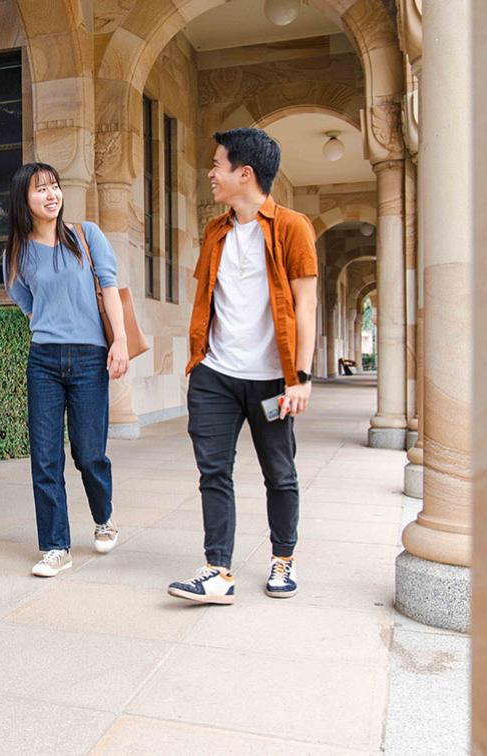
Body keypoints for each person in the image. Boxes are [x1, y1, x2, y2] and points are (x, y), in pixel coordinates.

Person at [168, 128, 318, 604]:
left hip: (274, 379)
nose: (211, 174)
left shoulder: (292, 227)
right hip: (216, 375)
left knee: (280, 470)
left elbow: (306, 304)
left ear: (244, 173)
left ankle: (283, 558)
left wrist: (303, 378)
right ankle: (217, 569)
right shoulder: (215, 231)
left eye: (218, 165)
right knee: (214, 472)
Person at [4, 162, 129, 577]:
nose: (51, 195)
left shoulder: (86, 235)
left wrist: (121, 343)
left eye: (54, 187)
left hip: (90, 357)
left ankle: (104, 516)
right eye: (41, 189)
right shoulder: (17, 252)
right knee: (45, 457)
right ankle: (56, 545)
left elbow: (109, 288)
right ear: (24, 199)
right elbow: (25, 302)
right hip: (43, 360)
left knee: (89, 452)